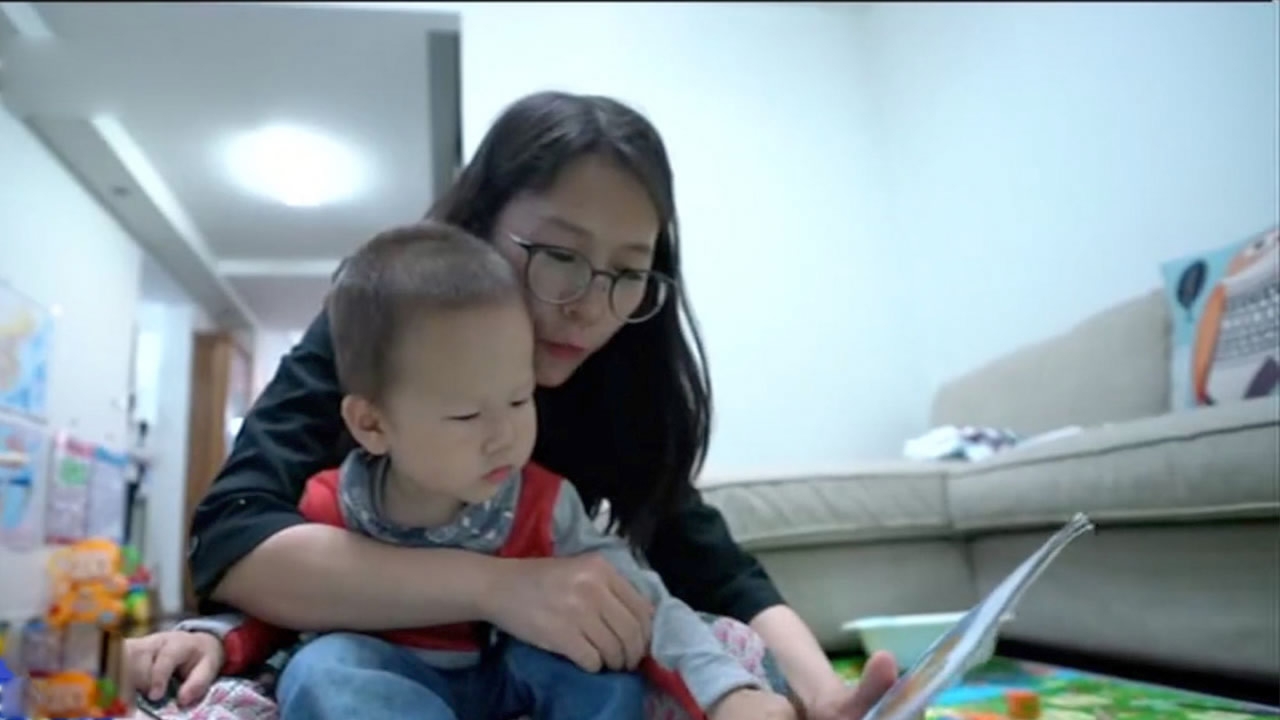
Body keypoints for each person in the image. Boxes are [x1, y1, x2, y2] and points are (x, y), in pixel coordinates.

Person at [186, 90, 898, 719]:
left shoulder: (616, 371)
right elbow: (233, 536)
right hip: (378, 653)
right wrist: (501, 587)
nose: (591, 307)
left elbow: (708, 565)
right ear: (479, 227)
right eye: (560, 255)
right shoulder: (388, 332)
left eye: (628, 271)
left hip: (531, 670)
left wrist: (823, 694)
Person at [138, 222, 797, 719]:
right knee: (322, 666)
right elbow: (277, 610)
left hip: (512, 674)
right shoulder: (329, 507)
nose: (505, 434)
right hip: (391, 678)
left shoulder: (545, 504)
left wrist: (729, 694)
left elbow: (642, 602)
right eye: (466, 415)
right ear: (373, 424)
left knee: (598, 660)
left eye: (519, 400)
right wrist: (217, 640)